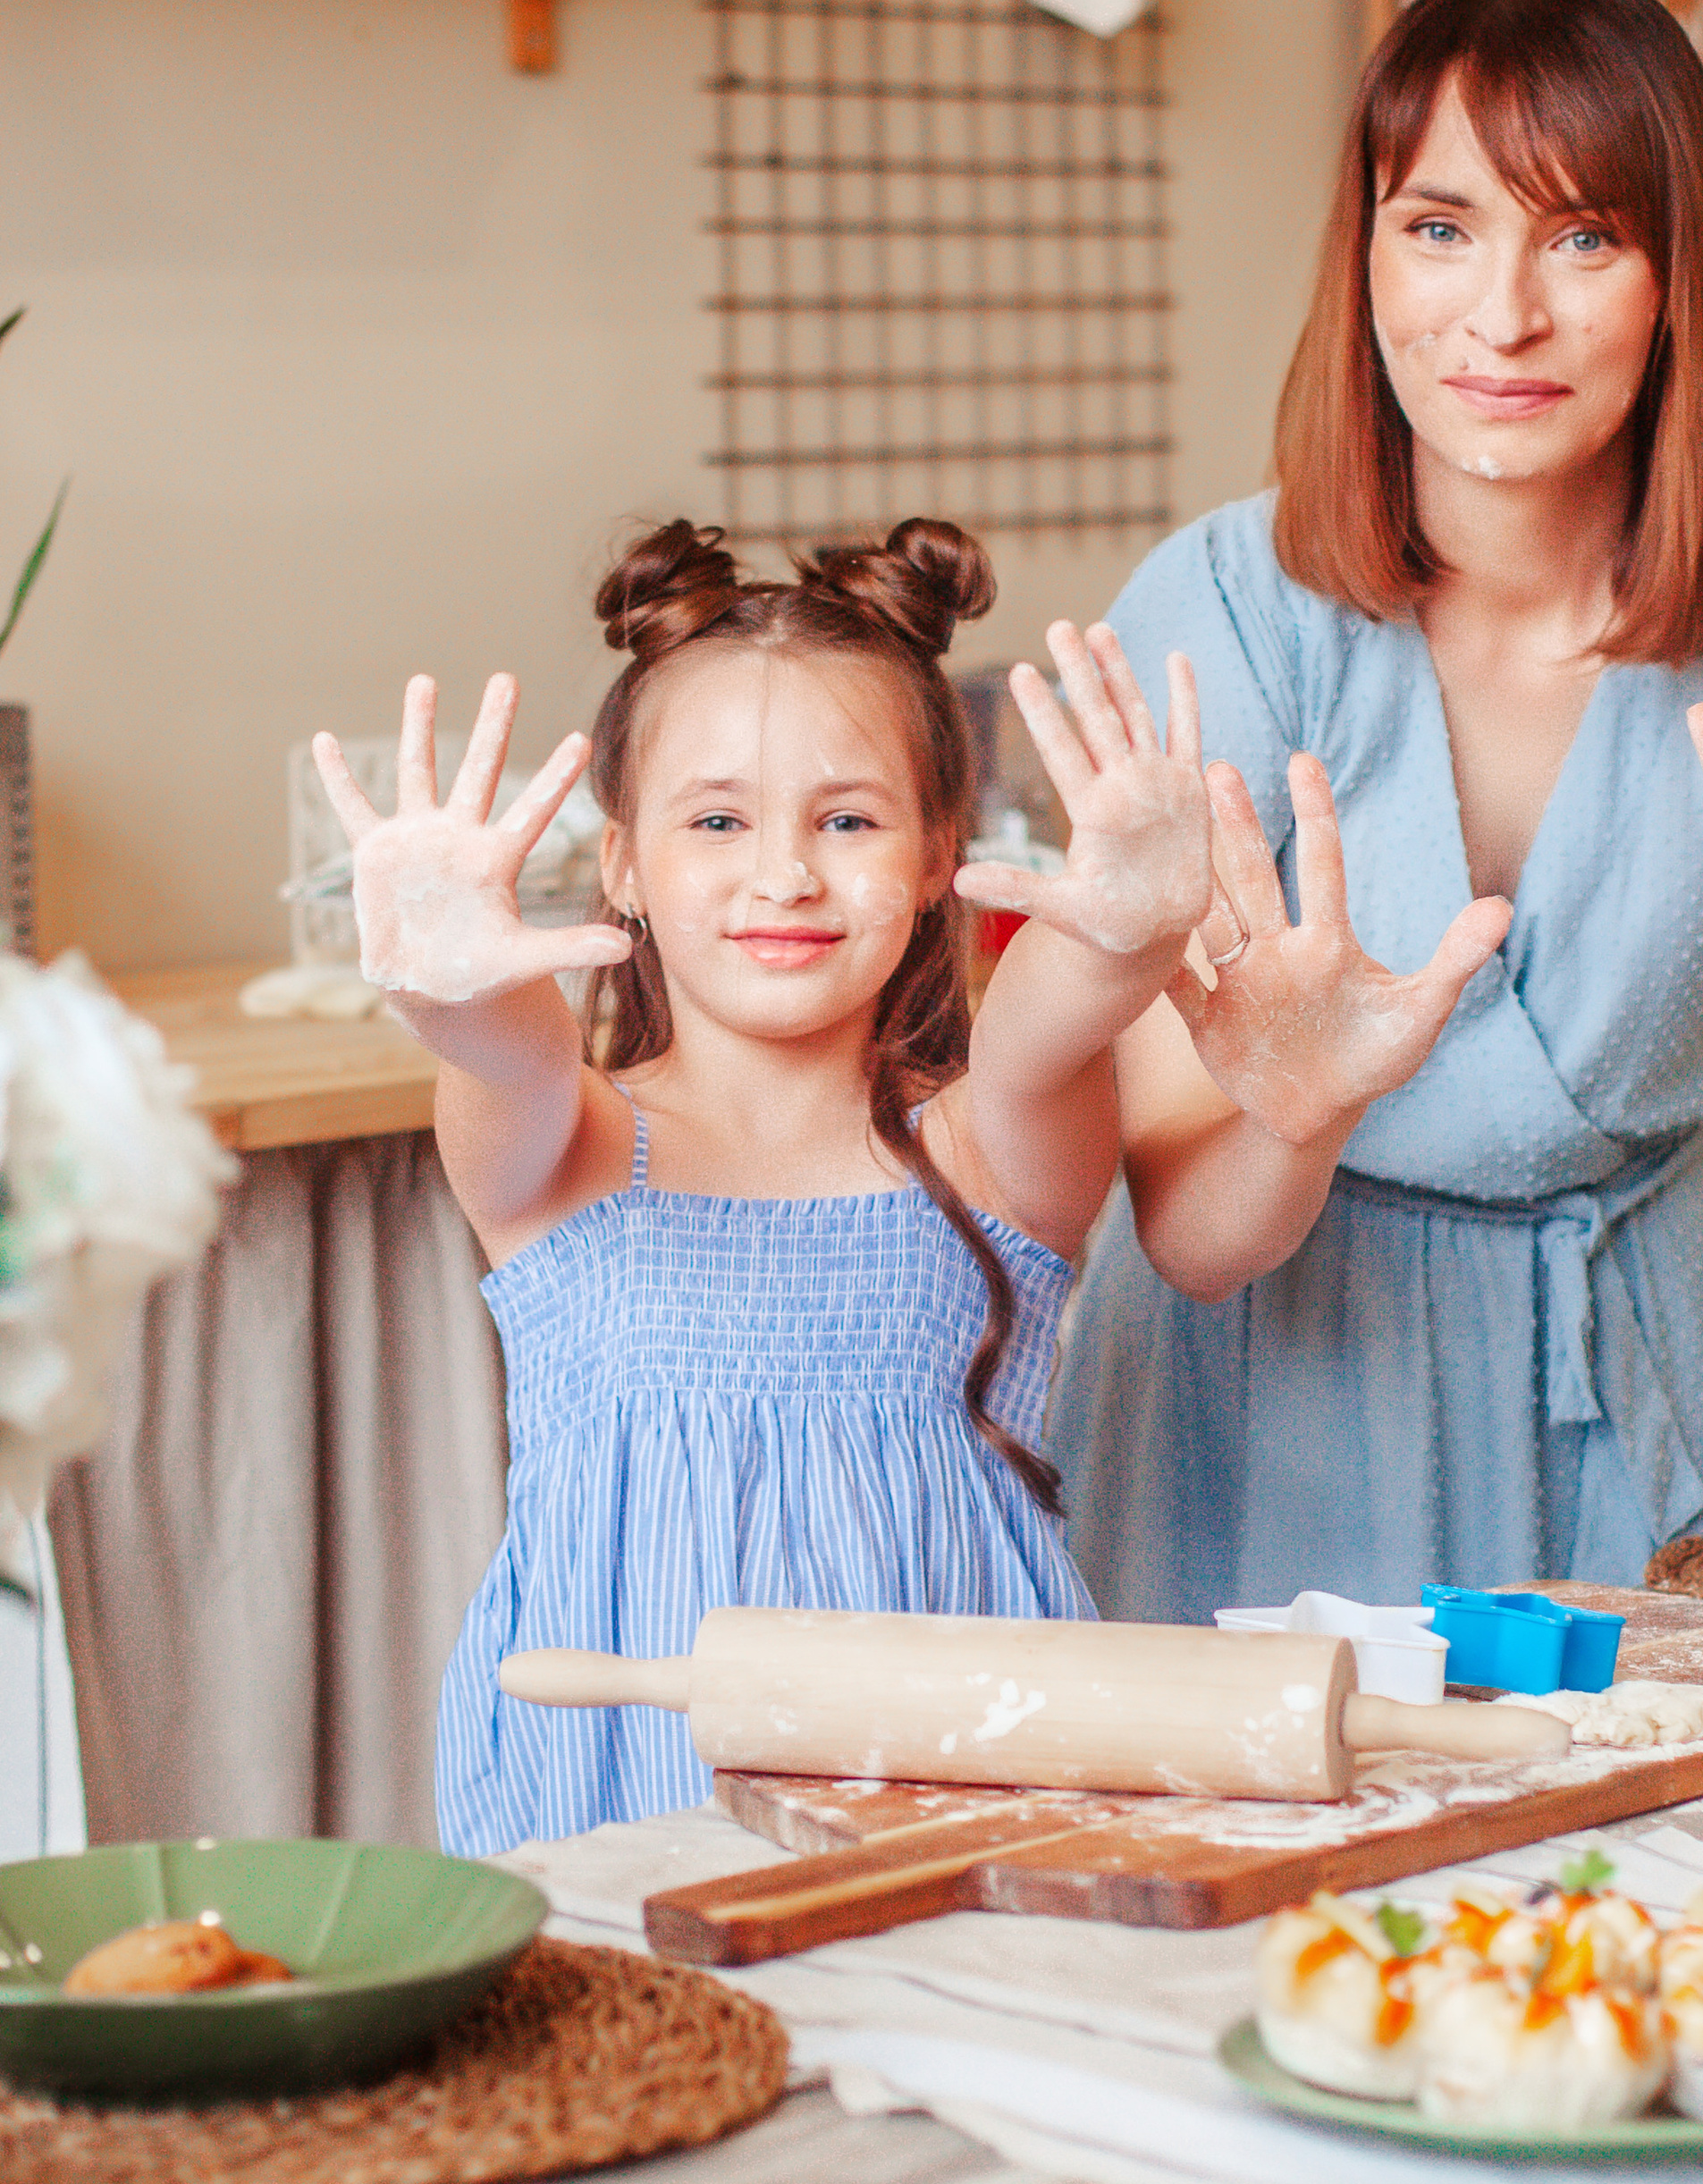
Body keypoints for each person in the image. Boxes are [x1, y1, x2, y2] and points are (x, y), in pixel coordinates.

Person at [1050, 0, 1703, 1623]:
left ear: (1675, 283)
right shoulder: (1209, 626)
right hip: (1271, 1413)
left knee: (1683, 1876)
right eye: (1439, 228)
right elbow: (1197, 1239)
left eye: (1582, 238)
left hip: (1649, 1391)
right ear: (1364, 255)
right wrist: (1300, 1107)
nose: (1500, 316)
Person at [315, 518, 1209, 1854]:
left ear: (932, 855)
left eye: (847, 819)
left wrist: (1127, 931)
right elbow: (509, 1053)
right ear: (623, 862)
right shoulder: (569, 1152)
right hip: (606, 1800)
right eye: (717, 819)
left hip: (952, 1816)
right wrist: (464, 984)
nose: (784, 873)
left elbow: (1046, 1023)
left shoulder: (990, 1151)